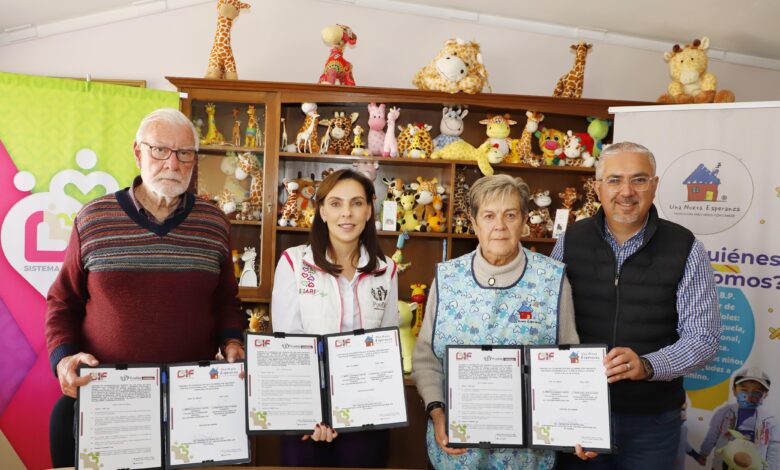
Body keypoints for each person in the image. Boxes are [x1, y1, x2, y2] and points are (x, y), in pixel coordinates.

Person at [45, 108, 245, 467]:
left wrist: (232, 342)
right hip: (110, 402)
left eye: (185, 153)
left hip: (192, 403)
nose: (172, 163)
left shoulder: (213, 222)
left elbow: (226, 300)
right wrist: (63, 359)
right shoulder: (93, 218)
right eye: (159, 150)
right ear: (138, 152)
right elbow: (63, 301)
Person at [551, 141, 721, 469]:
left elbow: (704, 340)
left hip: (653, 423)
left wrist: (647, 365)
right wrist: (561, 411)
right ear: (597, 186)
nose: (626, 191)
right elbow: (547, 325)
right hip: (578, 415)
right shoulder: (569, 242)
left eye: (639, 179)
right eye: (614, 180)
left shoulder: (686, 248)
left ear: (654, 186)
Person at [412, 174, 580, 469]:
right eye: (488, 216)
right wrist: (438, 413)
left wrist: (576, 426)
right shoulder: (448, 278)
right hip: (456, 452)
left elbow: (568, 362)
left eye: (510, 215)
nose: (499, 225)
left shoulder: (552, 279)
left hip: (528, 456)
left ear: (525, 220)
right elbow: (426, 356)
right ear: (474, 223)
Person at [271, 168, 399, 467]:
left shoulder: (386, 269)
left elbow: (386, 345)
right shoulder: (294, 262)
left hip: (367, 415)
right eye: (336, 203)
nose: (347, 214)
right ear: (322, 211)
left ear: (369, 210)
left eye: (356, 203)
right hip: (307, 420)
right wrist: (312, 413)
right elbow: (288, 346)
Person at [696, 367, 778, 469]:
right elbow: (713, 433)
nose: (749, 396)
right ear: (734, 390)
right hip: (723, 464)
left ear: (765, 395)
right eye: (744, 390)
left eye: (757, 392)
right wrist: (704, 453)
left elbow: (774, 447)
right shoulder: (724, 412)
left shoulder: (770, 421)